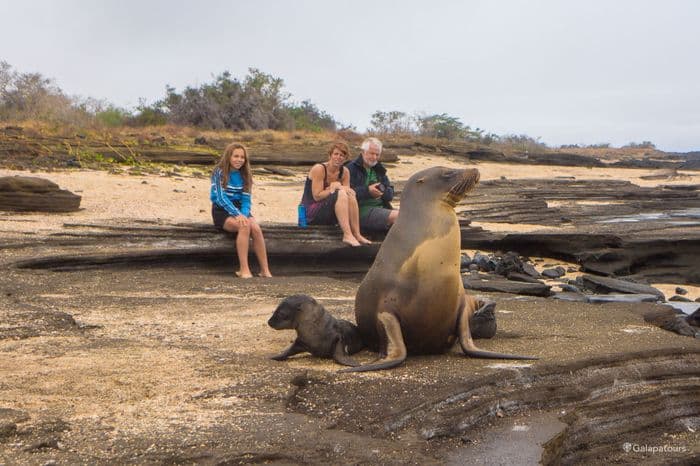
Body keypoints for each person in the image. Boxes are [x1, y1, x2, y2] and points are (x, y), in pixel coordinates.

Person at [210, 143, 273, 278]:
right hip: (222, 210)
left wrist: (243, 214)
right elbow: (220, 198)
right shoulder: (219, 172)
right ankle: (244, 270)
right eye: (236, 156)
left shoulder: (246, 175)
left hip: (240, 209)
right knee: (244, 226)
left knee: (255, 228)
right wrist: (237, 214)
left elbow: (246, 200)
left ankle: (265, 270)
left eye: (242, 157)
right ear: (229, 157)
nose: (239, 160)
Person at [300, 141, 372, 247]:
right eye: (336, 154)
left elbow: (348, 192)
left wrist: (338, 187)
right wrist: (334, 189)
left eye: (342, 155)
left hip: (329, 211)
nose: (338, 157)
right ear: (330, 155)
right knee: (342, 193)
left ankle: (356, 234)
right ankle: (347, 235)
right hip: (310, 213)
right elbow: (317, 196)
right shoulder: (319, 169)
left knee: (350, 195)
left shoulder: (345, 172)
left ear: (345, 158)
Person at [346, 137, 399, 232]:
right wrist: (368, 191)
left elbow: (390, 194)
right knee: (400, 218)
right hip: (359, 211)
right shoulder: (350, 168)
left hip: (381, 208)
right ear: (363, 152)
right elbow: (344, 193)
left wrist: (382, 192)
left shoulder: (379, 169)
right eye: (371, 153)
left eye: (377, 154)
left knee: (408, 216)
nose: (374, 157)